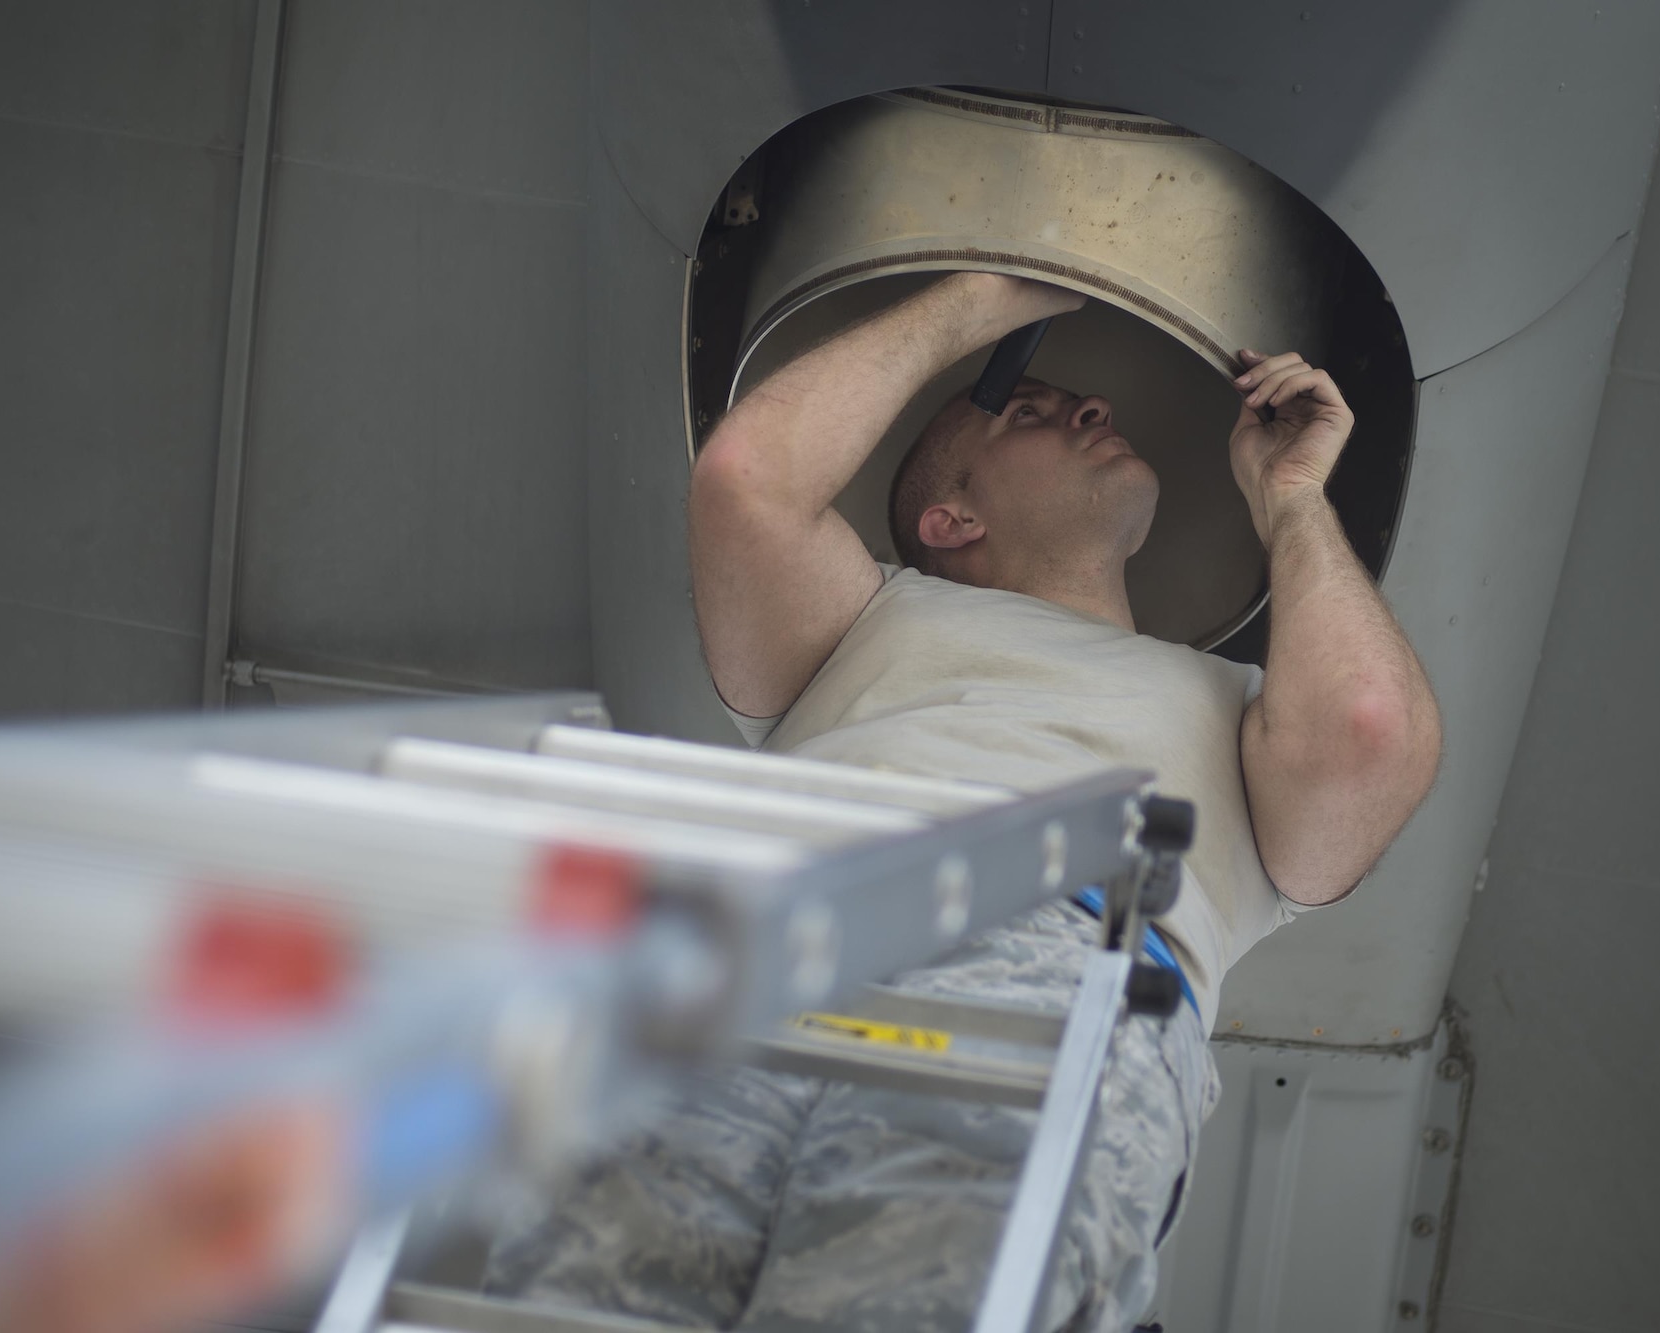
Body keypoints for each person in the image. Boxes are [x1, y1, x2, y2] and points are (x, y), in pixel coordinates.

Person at [480, 271, 1442, 1333]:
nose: (1093, 409)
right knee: (588, 1294)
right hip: (768, 931)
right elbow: (748, 479)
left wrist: (1293, 497)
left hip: (1053, 960)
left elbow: (1364, 731)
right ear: (949, 516)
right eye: (1028, 408)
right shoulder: (862, 616)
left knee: (911, 1303)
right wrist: (1000, 285)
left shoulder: (1245, 714)